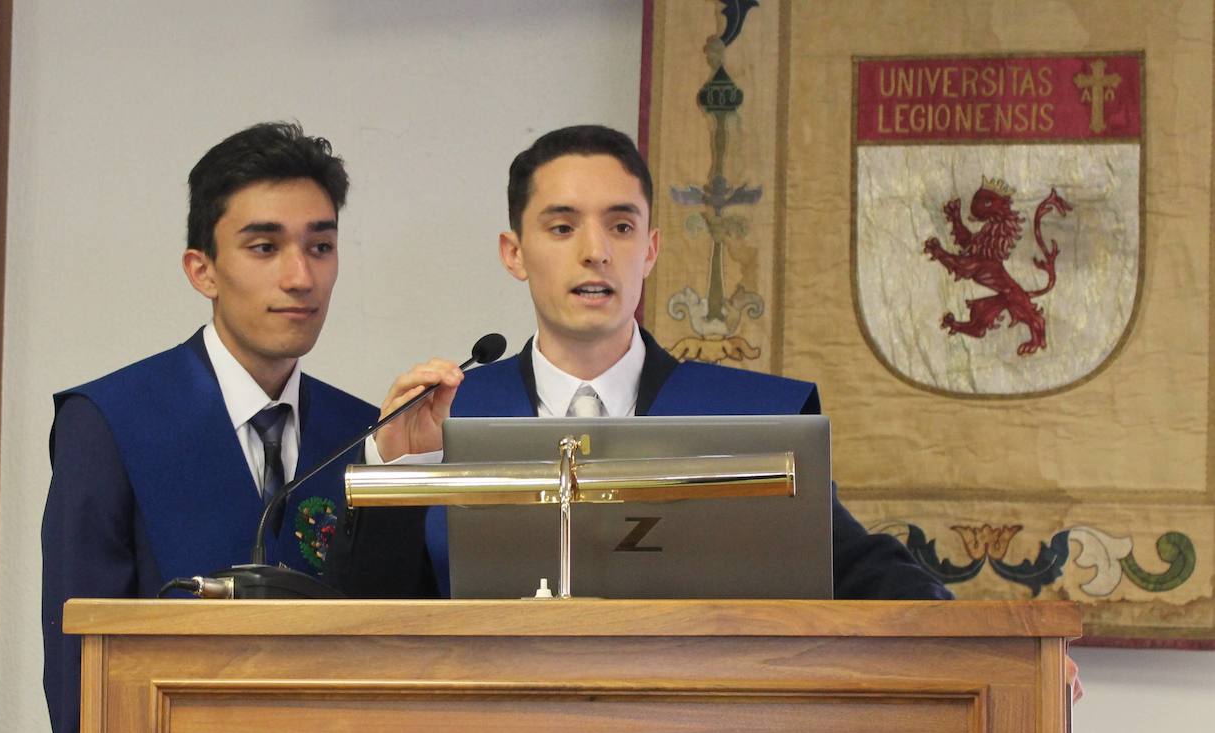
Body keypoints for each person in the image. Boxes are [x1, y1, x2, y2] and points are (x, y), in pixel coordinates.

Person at [326, 124, 951, 603]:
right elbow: (364, 619)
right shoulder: (445, 419)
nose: (596, 252)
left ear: (649, 249)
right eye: (563, 228)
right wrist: (399, 470)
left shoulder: (751, 418)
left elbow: (868, 579)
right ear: (514, 252)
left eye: (621, 227)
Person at [40, 122, 375, 733]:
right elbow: (80, 676)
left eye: (320, 246)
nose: (300, 276)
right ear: (203, 270)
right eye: (264, 247)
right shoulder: (110, 421)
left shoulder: (365, 435)